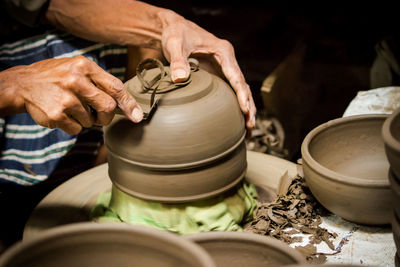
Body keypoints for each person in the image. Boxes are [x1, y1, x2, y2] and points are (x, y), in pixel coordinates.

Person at [0, 0, 256, 249]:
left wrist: (165, 26)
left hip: (101, 114)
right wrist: (15, 84)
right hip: (21, 126)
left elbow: (48, 4)